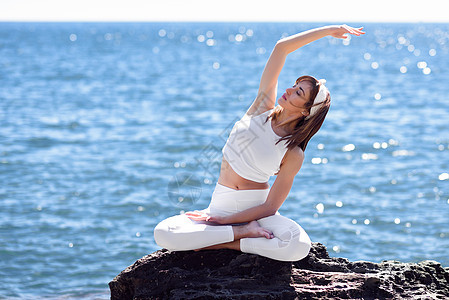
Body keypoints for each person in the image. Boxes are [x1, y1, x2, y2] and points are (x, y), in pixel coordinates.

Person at [154, 24, 365, 261]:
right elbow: (281, 49)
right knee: (163, 233)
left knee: (297, 245)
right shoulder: (261, 108)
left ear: (307, 112)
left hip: (258, 213)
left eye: (298, 93)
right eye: (295, 86)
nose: (289, 90)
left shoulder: (293, 153)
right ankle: (240, 236)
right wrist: (328, 31)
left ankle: (228, 241)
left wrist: (225, 222)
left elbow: (270, 208)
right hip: (219, 206)